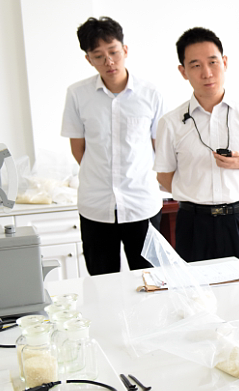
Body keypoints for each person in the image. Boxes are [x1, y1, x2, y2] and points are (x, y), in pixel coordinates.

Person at [154, 27, 239, 272]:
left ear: (225, 62)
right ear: (183, 71)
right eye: (196, 65)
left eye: (213, 62)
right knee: (198, 292)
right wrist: (196, 193)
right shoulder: (171, 122)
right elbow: (164, 176)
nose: (207, 73)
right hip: (194, 224)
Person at [61, 16, 164, 276]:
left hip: (141, 204)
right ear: (89, 59)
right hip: (96, 206)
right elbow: (78, 149)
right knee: (101, 282)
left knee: (151, 281)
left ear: (125, 50)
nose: (108, 61)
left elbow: (158, 147)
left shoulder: (151, 94)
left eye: (113, 52)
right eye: (98, 56)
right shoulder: (77, 94)